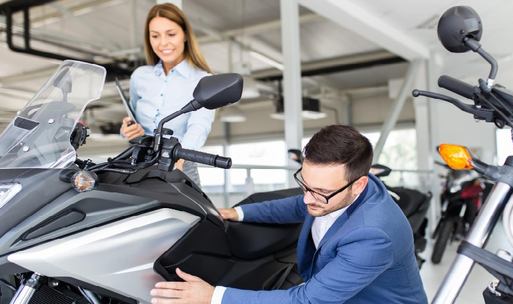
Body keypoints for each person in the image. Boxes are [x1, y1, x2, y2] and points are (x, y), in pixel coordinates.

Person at [150, 125, 428, 304]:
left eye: (319, 191)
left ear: (359, 184)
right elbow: (296, 205)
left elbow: (308, 300)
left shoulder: (372, 235)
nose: (308, 198)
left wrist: (214, 296)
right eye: (305, 184)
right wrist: (238, 212)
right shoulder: (340, 190)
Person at [120, 3, 214, 185]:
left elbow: (199, 126)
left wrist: (180, 157)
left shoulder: (203, 79)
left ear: (185, 35)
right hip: (137, 162)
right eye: (155, 36)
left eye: (171, 34)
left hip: (179, 163)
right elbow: (132, 119)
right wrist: (128, 128)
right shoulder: (140, 76)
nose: (163, 43)